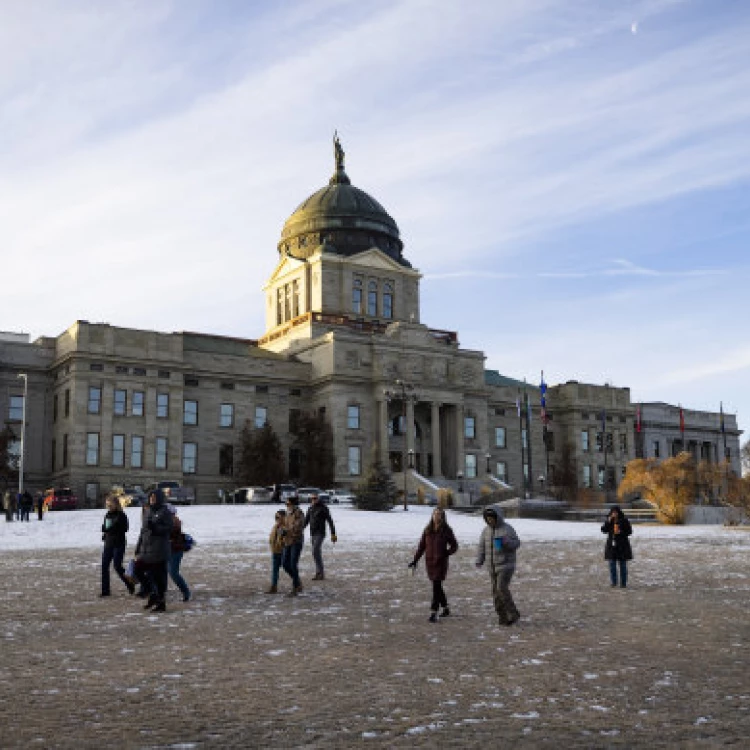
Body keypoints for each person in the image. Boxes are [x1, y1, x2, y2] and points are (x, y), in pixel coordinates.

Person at [409, 507, 459, 622]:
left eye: (439, 514)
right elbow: (421, 547)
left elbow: (454, 546)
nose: (437, 516)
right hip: (430, 562)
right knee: (438, 587)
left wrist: (446, 553)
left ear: (443, 517)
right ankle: (446, 608)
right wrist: (415, 560)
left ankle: (433, 612)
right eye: (435, 514)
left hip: (441, 562)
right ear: (432, 515)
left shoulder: (447, 530)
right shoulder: (427, 530)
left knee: (436, 587)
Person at [476, 504, 521, 627]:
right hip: (492, 566)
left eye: (492, 518)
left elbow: (517, 543)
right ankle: (502, 617)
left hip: (506, 565)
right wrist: (480, 559)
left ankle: (513, 613)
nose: (490, 520)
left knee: (501, 588)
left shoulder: (507, 529)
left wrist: (507, 542)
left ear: (498, 517)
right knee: (495, 592)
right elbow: (482, 547)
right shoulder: (485, 531)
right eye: (487, 518)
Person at [133, 488, 174, 612]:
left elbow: (169, 529)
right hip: (146, 550)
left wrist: (156, 528)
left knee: (158, 577)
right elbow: (143, 531)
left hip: (159, 550)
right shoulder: (147, 511)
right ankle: (152, 594)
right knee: (137, 569)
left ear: (160, 499)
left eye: (154, 498)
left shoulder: (165, 511)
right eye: (150, 497)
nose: (152, 500)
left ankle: (161, 603)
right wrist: (138, 547)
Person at [101, 495, 134, 597]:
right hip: (109, 543)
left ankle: (130, 583)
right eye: (107, 504)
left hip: (119, 543)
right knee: (104, 566)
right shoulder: (107, 514)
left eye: (111, 503)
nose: (109, 506)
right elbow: (106, 527)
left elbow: (125, 529)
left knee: (117, 566)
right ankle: (105, 591)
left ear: (116, 504)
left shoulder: (121, 515)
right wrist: (104, 531)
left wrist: (114, 527)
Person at [304, 493, 337, 581]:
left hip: (320, 533)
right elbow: (306, 521)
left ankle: (320, 573)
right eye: (312, 499)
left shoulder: (323, 508)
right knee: (316, 553)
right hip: (313, 533)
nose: (313, 500)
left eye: (315, 498)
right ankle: (319, 572)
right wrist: (299, 529)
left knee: (315, 551)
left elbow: (330, 521)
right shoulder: (310, 508)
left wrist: (333, 534)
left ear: (318, 499)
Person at [601, 505, 633, 588]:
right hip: (612, 545)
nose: (614, 514)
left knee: (622, 565)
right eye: (613, 512)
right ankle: (614, 582)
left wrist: (621, 532)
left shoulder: (624, 520)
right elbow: (604, 530)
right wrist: (608, 522)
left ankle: (623, 583)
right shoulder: (609, 520)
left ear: (619, 512)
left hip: (622, 545)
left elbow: (629, 531)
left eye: (616, 512)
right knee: (612, 564)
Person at [281, 496, 305, 596]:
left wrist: (287, 531)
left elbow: (298, 526)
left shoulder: (299, 513)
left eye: (288, 504)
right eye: (286, 504)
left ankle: (295, 587)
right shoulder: (287, 513)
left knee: (293, 564)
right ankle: (298, 581)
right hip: (287, 541)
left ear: (293, 504)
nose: (287, 506)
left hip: (296, 541)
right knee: (285, 564)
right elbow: (285, 525)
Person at [167, 505, 191, 602]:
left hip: (175, 550)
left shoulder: (174, 521)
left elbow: (170, 533)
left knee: (173, 573)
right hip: (166, 550)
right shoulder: (166, 521)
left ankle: (185, 591)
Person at [266, 509, 287, 594]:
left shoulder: (285, 527)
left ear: (283, 518)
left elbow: (284, 540)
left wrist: (281, 544)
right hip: (275, 551)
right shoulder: (275, 526)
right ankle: (273, 587)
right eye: (276, 517)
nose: (276, 519)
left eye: (278, 517)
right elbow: (272, 538)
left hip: (282, 551)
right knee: (275, 570)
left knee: (288, 568)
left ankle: (297, 582)